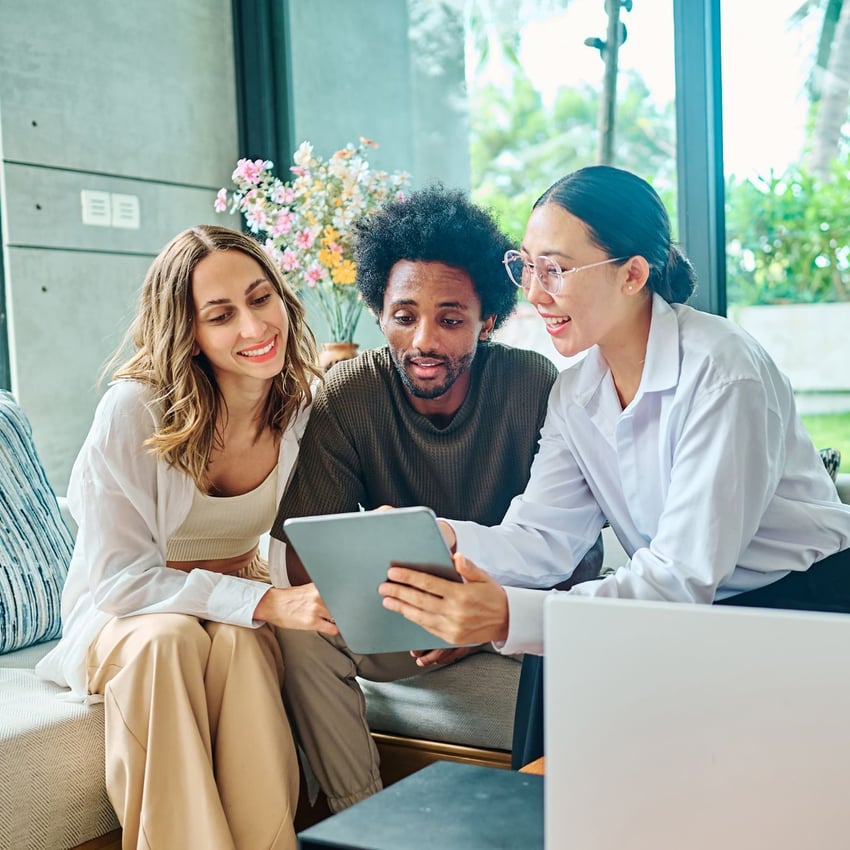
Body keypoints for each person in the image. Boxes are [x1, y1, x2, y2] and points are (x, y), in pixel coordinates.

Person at [378, 164, 850, 657]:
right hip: (695, 613)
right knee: (559, 656)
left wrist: (506, 615)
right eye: (527, 266)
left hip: (805, 609)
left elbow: (679, 580)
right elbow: (544, 539)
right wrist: (443, 536)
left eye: (555, 270)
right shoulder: (574, 394)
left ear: (632, 275)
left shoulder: (723, 372)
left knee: (560, 647)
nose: (534, 293)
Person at [270, 186, 603, 812]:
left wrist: (478, 626)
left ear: (488, 320)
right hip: (398, 616)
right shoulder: (348, 393)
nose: (424, 339)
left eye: (451, 319)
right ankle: (362, 818)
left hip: (504, 613)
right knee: (299, 632)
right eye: (404, 315)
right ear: (378, 313)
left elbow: (576, 553)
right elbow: (299, 554)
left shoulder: (532, 383)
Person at [35, 225, 339, 850]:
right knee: (170, 641)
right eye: (221, 315)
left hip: (233, 598)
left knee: (243, 647)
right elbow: (121, 579)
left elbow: (300, 536)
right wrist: (263, 602)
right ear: (190, 332)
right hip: (125, 613)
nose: (254, 329)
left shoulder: (299, 404)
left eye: (261, 299)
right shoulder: (136, 408)